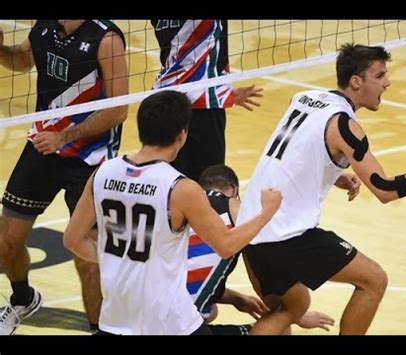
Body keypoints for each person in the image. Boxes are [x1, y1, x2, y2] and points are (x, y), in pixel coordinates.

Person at [236, 43, 406, 335]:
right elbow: (384, 190)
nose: (388, 82)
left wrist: (331, 174)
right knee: (373, 280)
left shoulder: (305, 97)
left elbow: (293, 153)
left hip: (251, 231)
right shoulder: (344, 125)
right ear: (356, 82)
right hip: (286, 235)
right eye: (380, 75)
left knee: (284, 314)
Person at [62, 90, 282, 335]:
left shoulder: (103, 173)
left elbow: (72, 239)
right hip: (170, 323)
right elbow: (226, 245)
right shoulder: (181, 188)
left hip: (116, 319)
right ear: (182, 135)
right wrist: (266, 213)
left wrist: (115, 260)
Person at [0, 20, 128, 335]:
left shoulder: (106, 38)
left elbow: (118, 109)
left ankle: (100, 329)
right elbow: (22, 61)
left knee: (88, 259)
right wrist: (0, 50)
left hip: (89, 159)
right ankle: (23, 298)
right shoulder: (43, 27)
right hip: (43, 148)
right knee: (6, 240)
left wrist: (65, 137)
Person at [188, 164, 335, 335]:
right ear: (234, 190)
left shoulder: (183, 209)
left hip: (154, 314)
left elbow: (191, 272)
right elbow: (263, 264)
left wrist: (236, 299)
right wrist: (294, 314)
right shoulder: (236, 210)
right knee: (279, 324)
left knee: (211, 310)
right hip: (179, 326)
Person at [150, 20, 263, 181]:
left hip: (164, 101)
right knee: (209, 186)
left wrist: (219, 91)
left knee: (167, 184)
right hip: (203, 108)